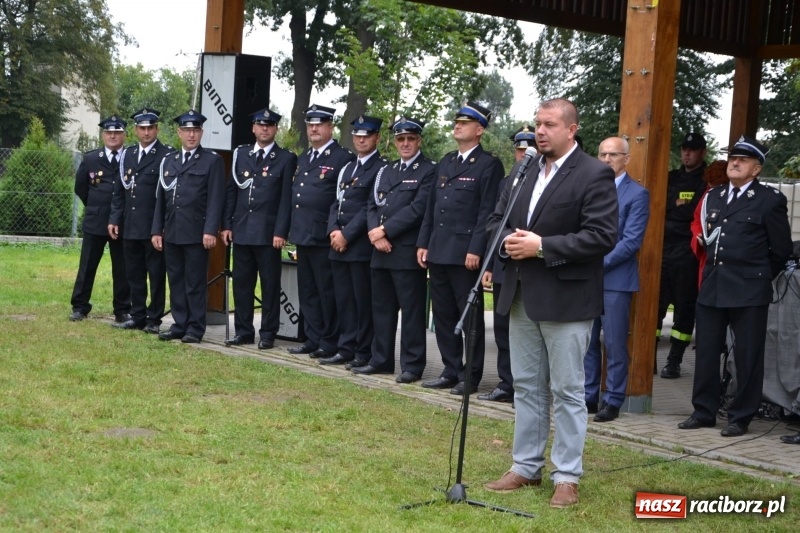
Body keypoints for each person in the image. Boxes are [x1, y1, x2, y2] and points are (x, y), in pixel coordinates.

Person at [484, 98, 617, 508]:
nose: (540, 131)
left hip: (568, 298)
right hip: (522, 293)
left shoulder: (595, 174)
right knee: (526, 385)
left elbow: (601, 236)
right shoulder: (523, 170)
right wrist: (507, 243)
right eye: (537, 124)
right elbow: (496, 220)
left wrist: (542, 246)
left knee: (567, 390)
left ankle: (567, 476)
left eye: (549, 124)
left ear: (572, 129)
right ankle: (525, 466)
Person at [678, 136, 792, 437]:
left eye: (742, 160)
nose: (734, 163)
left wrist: (758, 277)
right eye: (732, 159)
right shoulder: (713, 197)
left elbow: (780, 250)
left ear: (756, 169)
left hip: (748, 289)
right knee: (705, 352)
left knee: (747, 356)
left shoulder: (769, 200)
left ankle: (741, 416)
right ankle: (703, 411)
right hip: (714, 286)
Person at [416, 101, 504, 395]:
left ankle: (471, 375)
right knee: (443, 315)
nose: (458, 126)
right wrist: (423, 242)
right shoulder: (446, 162)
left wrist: (477, 249)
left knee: (470, 318)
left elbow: (486, 213)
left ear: (479, 130)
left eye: (465, 123)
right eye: (457, 121)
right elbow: (432, 208)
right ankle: (450, 368)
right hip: (439, 250)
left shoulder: (488, 164)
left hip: (466, 254)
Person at [350, 117, 436, 382]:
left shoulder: (428, 170)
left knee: (411, 312)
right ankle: (381, 359)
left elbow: (417, 209)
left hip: (406, 253)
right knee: (382, 310)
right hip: (380, 251)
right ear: (394, 141)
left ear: (419, 140)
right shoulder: (385, 171)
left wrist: (385, 231)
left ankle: (411, 365)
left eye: (411, 138)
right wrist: (375, 234)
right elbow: (372, 205)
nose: (406, 143)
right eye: (401, 139)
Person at [584, 137, 650, 422]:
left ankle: (612, 399)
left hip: (615, 280)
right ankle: (588, 396)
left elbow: (631, 241)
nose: (607, 159)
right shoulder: (589, 190)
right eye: (602, 154)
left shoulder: (637, 194)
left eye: (614, 154)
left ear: (627, 159)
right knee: (586, 341)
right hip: (586, 278)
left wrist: (598, 264)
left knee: (613, 342)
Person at [221, 108, 296, 350]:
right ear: (253, 128)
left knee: (270, 286)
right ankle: (243, 331)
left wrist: (281, 231)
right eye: (260, 125)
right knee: (242, 284)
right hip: (241, 230)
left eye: (269, 125)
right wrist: (227, 224)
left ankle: (268, 333)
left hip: (268, 234)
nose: (264, 129)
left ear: (275, 129)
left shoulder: (285, 159)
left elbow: (286, 199)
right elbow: (232, 191)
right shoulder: (240, 154)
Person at [151, 110, 225, 343]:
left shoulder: (212, 161)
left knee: (194, 281)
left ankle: (195, 327)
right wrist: (156, 230)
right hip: (172, 231)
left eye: (195, 130)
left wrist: (210, 230)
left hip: (196, 232)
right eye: (187, 130)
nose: (191, 135)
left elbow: (216, 199)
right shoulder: (169, 161)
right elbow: (161, 199)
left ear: (201, 132)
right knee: (176, 280)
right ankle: (179, 323)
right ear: (179, 132)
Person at [287, 105, 355, 358]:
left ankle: (330, 341)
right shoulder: (304, 157)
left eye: (320, 124)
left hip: (324, 235)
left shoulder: (341, 158)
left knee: (328, 292)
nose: (314, 129)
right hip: (303, 233)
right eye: (310, 125)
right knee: (309, 291)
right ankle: (312, 338)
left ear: (330, 127)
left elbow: (341, 200)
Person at [319, 116, 386, 367]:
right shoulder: (348, 167)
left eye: (366, 135)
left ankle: (362, 351)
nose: (361, 140)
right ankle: (345, 347)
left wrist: (347, 235)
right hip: (338, 245)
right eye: (357, 135)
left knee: (361, 302)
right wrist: (333, 230)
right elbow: (336, 202)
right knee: (343, 300)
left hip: (359, 246)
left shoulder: (380, 168)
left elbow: (371, 207)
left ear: (377, 137)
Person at [479, 126, 536, 403]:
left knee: (529, 331)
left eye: (529, 149)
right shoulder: (506, 182)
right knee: (502, 328)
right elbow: (495, 224)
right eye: (519, 150)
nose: (523, 155)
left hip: (531, 266)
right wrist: (489, 265)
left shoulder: (544, 181)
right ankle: (506, 383)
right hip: (503, 264)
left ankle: (529, 387)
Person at [108, 108, 171, 334]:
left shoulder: (166, 154)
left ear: (157, 129)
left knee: (155, 275)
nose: (146, 132)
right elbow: (119, 190)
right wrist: (115, 218)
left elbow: (167, 196)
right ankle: (137, 315)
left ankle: (154, 318)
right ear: (135, 130)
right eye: (142, 128)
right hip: (130, 225)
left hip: (153, 227)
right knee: (133, 274)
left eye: (150, 128)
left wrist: (161, 227)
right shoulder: (128, 154)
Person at [70, 115, 131, 323]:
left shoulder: (130, 158)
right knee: (87, 265)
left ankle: (122, 309)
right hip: (95, 221)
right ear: (103, 134)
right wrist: (96, 207)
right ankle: (80, 306)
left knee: (122, 268)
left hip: (122, 222)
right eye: (109, 132)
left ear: (124, 134)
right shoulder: (91, 159)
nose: (112, 136)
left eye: (117, 132)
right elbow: (81, 188)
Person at [657, 133, 708, 378]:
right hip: (663, 249)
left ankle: (674, 360)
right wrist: (674, 206)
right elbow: (659, 205)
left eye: (693, 149)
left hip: (686, 252)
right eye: (685, 148)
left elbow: (694, 212)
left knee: (684, 308)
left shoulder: (706, 181)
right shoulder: (671, 178)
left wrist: (676, 207)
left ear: (703, 152)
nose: (688, 153)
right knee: (655, 306)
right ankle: (649, 359)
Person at [689, 160, 729, 287]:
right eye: (709, 187)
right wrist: (699, 235)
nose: (711, 191)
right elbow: (696, 220)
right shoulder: (708, 194)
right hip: (708, 258)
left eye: (715, 187)